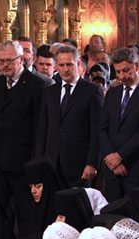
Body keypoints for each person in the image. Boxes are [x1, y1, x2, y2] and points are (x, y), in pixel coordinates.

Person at [0, 40, 49, 203]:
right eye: (1, 61)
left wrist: (36, 159)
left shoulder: (37, 86)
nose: (5, 65)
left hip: (23, 160)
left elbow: (40, 127)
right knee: (2, 211)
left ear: (21, 59)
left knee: (24, 209)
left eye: (9, 61)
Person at [35, 45, 104, 188]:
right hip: (52, 164)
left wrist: (92, 163)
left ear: (78, 64)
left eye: (69, 64)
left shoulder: (92, 92)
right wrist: (40, 162)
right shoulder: (49, 92)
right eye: (61, 65)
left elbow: (97, 131)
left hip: (79, 165)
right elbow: (43, 129)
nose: (65, 69)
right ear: (56, 66)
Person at [100, 47, 139, 201]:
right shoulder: (112, 94)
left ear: (136, 67)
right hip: (112, 171)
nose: (122, 76)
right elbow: (102, 128)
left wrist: (121, 156)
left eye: (126, 70)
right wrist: (112, 158)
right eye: (118, 72)